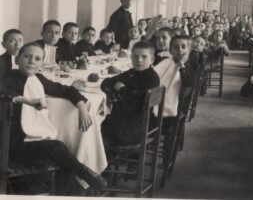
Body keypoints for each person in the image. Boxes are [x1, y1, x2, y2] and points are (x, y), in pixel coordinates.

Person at [0, 42, 107, 192]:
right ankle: (87, 176)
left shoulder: (38, 79)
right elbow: (2, 91)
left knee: (62, 151)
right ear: (17, 60)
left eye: (37, 59)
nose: (31, 61)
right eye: (27, 56)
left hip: (30, 139)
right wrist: (27, 101)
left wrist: (81, 107)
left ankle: (75, 184)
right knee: (58, 148)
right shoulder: (8, 77)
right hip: (11, 144)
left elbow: (66, 90)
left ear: (41, 64)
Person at [101, 41, 160, 149]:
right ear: (131, 57)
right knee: (100, 121)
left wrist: (121, 89)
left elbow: (136, 101)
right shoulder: (132, 72)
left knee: (97, 125)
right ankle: (107, 155)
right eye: (135, 57)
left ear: (152, 59)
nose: (139, 60)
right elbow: (106, 82)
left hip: (138, 126)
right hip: (129, 120)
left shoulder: (152, 78)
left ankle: (106, 157)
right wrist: (115, 92)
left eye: (144, 57)